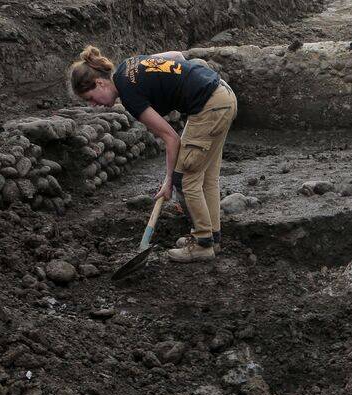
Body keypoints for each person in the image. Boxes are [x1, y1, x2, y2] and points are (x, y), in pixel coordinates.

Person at [67, 46, 237, 263]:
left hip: (209, 107)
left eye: (90, 98)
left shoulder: (130, 96)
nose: (93, 105)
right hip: (223, 95)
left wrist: (168, 181)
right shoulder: (127, 66)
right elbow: (177, 56)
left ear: (99, 83)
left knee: (185, 179)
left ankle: (203, 243)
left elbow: (171, 138)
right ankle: (213, 239)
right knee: (207, 177)